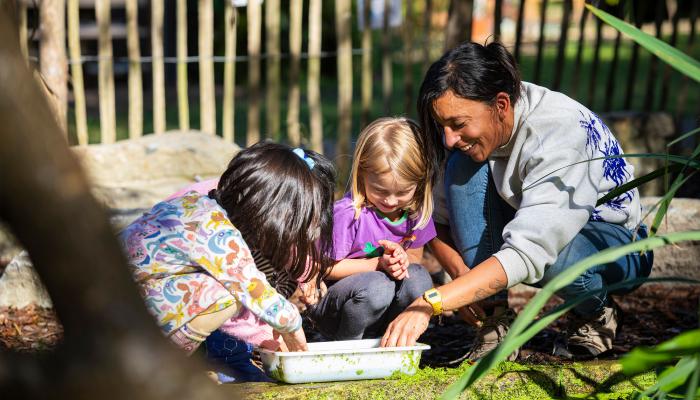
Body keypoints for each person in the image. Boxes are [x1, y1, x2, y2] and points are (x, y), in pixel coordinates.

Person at [381, 41, 653, 360]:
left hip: (616, 244)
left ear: (501, 105)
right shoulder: (474, 138)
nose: (448, 138)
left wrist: (432, 302)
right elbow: (431, 219)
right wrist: (463, 280)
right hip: (539, 235)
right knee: (460, 166)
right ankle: (494, 319)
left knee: (555, 254)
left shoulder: (558, 133)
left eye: (458, 124)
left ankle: (595, 311)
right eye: (442, 126)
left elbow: (532, 250)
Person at [119, 142, 336, 368]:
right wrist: (291, 328)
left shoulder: (197, 205)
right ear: (273, 212)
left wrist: (264, 337)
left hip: (126, 305)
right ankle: (161, 365)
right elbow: (255, 291)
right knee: (222, 296)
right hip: (128, 319)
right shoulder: (217, 234)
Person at [306, 117, 435, 340]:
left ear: (420, 183)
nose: (392, 200)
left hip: (381, 303)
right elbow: (323, 267)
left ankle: (394, 340)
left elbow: (415, 256)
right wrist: (377, 264)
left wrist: (402, 261)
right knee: (378, 286)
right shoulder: (349, 214)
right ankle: (346, 347)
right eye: (380, 190)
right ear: (362, 174)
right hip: (337, 305)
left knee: (420, 278)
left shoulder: (415, 212)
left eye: (403, 192)